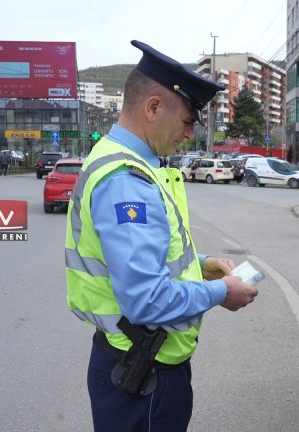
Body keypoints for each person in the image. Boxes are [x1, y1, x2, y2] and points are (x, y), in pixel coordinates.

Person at [64, 40, 259, 432]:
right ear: (153, 107)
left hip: (132, 363)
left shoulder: (126, 163)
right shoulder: (127, 181)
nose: (189, 133)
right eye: (188, 120)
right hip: (143, 374)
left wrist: (201, 265)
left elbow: (150, 253)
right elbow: (146, 299)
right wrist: (224, 293)